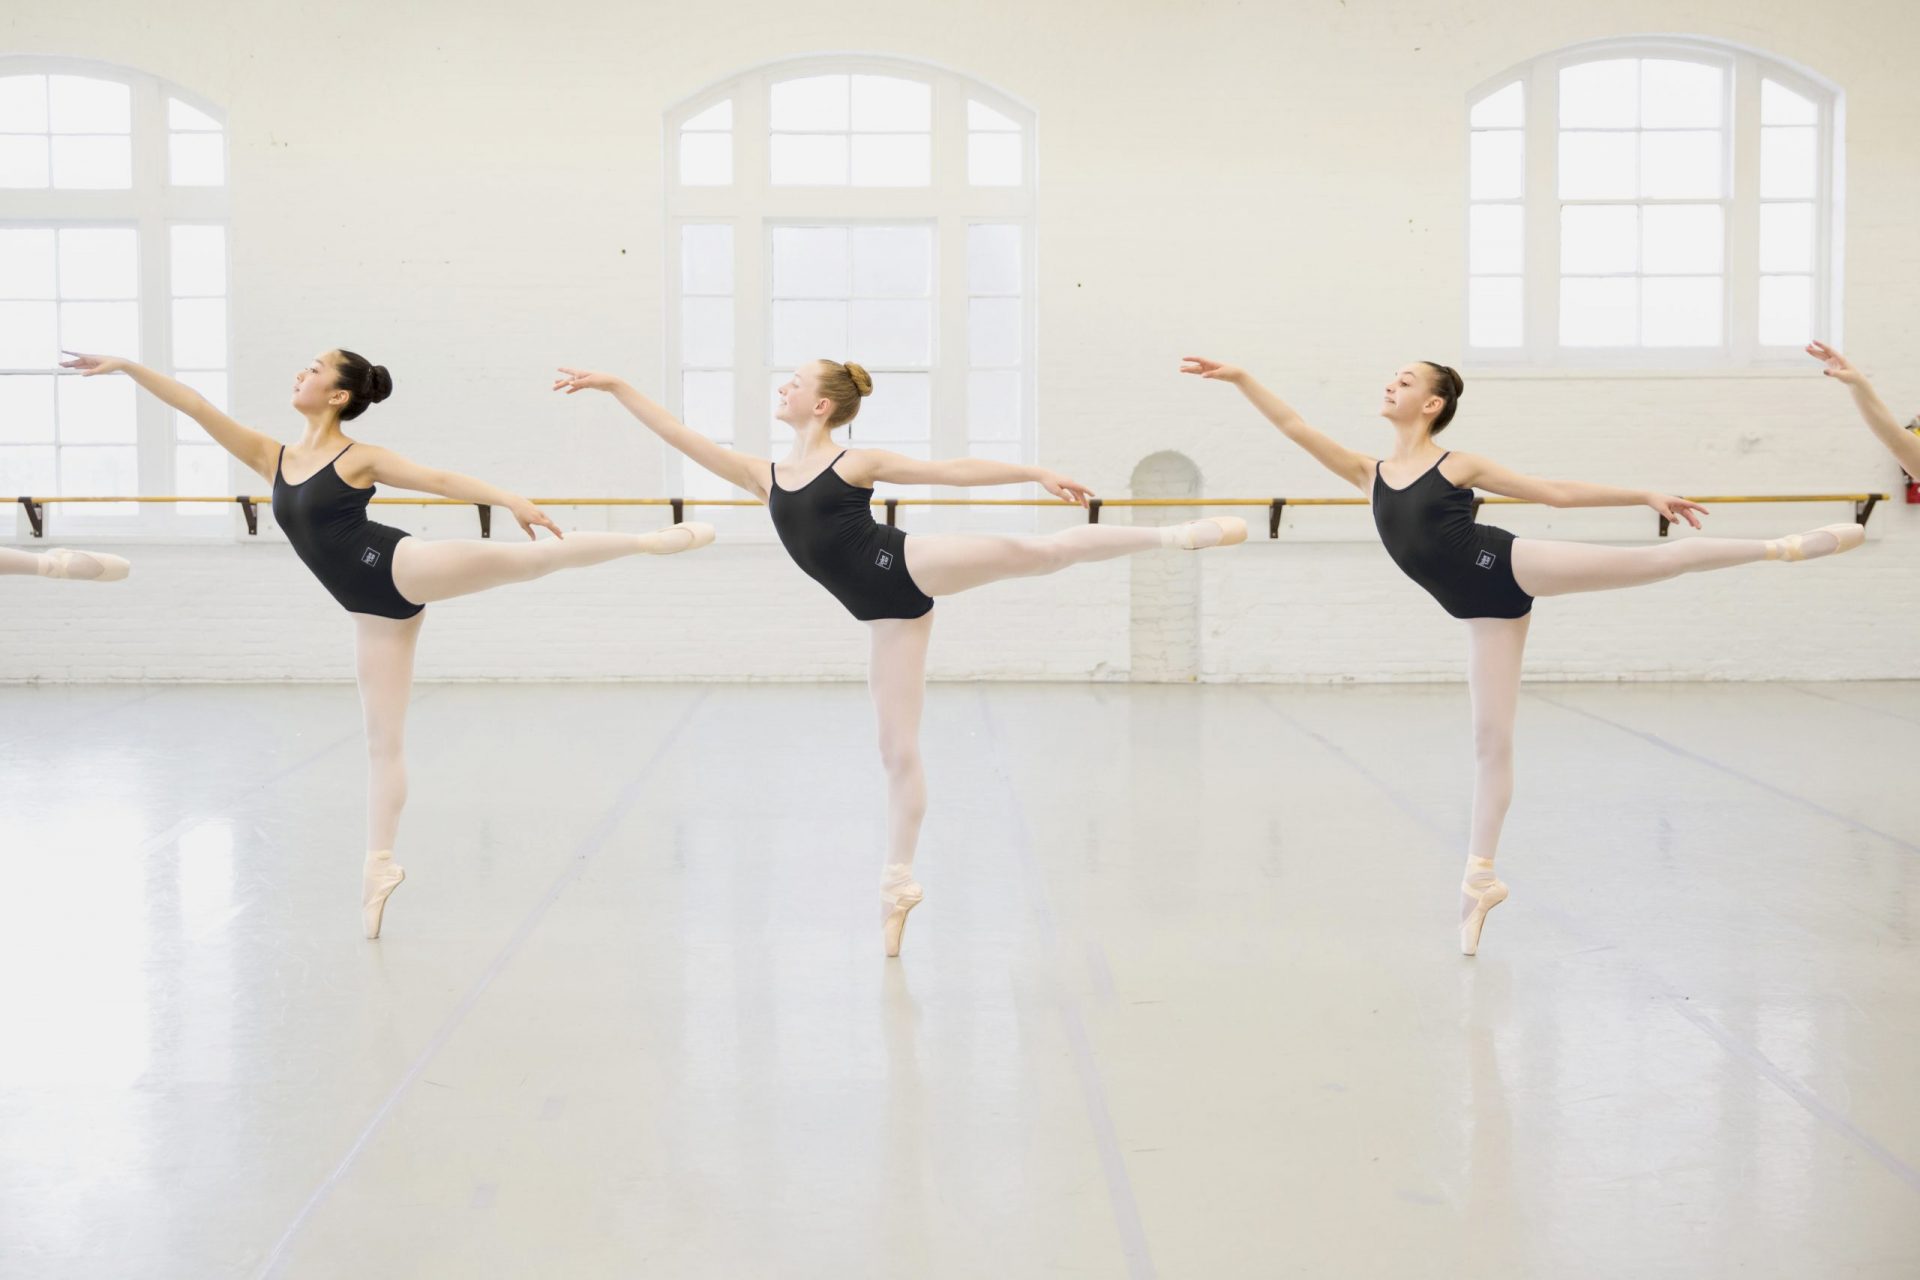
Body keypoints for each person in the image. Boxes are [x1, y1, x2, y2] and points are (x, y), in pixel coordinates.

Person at [556, 358, 1244, 955]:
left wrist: (1031, 469)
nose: (783, 388)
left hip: (903, 562)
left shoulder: (853, 461)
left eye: (793, 382)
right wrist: (618, 387)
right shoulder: (763, 475)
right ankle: (898, 885)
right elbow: (680, 434)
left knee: (1039, 554)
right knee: (896, 752)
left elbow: (950, 471)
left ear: (821, 404)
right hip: (884, 612)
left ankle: (1175, 536)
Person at [1184, 355, 1863, 955]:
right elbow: (1296, 427)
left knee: (1654, 562)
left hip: (1501, 562)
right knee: (1489, 741)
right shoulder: (1370, 474)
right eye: (1392, 377)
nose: (1390, 384)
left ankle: (1786, 547)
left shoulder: (1457, 464)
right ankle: (1481, 877)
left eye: (1406, 380)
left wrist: (1643, 493)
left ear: (1433, 405)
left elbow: (1555, 493)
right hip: (1477, 607)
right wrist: (1243, 378)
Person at [62, 347, 712, 937]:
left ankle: (649, 542)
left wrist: (510, 496)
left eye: (313, 368)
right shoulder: (273, 457)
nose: (299, 372)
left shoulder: (357, 457)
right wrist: (126, 367)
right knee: (382, 742)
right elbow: (197, 407)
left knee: (526, 561)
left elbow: (440, 480)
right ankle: (379, 868)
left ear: (339, 395)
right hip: (369, 613)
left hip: (395, 566)